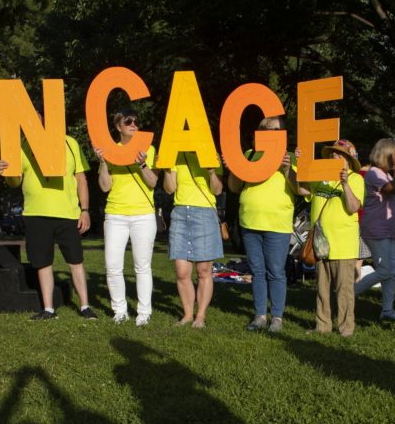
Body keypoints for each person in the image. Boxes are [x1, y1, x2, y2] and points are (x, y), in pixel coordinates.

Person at [0, 99, 96, 321]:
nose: (33, 120)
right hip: (36, 213)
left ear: (45, 117)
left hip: (67, 213)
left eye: (36, 115)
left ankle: (85, 306)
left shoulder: (70, 143)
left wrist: (85, 210)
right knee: (42, 262)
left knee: (75, 261)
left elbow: (81, 179)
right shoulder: (22, 145)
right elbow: (15, 182)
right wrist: (7, 172)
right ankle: (49, 309)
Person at [227, 116, 298, 332]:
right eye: (265, 129)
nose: (270, 133)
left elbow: (300, 190)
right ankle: (260, 316)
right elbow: (234, 187)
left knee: (276, 270)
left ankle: (276, 318)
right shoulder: (249, 155)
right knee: (257, 271)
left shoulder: (291, 158)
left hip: (277, 223)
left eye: (275, 129)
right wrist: (234, 168)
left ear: (283, 133)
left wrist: (288, 170)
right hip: (250, 221)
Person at [95, 108, 159, 326]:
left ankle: (144, 313)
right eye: (128, 121)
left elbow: (153, 182)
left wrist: (141, 164)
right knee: (112, 266)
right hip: (115, 214)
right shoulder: (110, 151)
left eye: (136, 121)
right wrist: (103, 162)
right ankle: (120, 310)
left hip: (143, 214)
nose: (134, 124)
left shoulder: (149, 149)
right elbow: (105, 187)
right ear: (118, 127)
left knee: (142, 266)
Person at [301, 141, 364, 336]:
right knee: (321, 287)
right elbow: (303, 190)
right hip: (321, 243)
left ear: (349, 160)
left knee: (344, 290)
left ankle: (346, 329)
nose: (334, 158)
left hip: (343, 244)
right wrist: (293, 169)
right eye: (332, 154)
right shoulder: (320, 178)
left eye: (339, 155)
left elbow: (353, 207)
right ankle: (323, 326)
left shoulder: (356, 179)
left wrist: (344, 184)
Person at [163, 150, 224, 328]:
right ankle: (188, 314)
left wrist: (212, 172)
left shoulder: (211, 154)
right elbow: (169, 188)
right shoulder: (174, 154)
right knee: (182, 271)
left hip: (205, 213)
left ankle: (200, 316)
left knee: (204, 270)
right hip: (181, 213)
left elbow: (218, 190)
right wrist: (167, 170)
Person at [355, 138, 395, 324]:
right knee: (386, 270)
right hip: (376, 230)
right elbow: (394, 189)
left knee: (392, 271)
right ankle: (348, 294)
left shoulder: (385, 174)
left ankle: (387, 309)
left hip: (387, 230)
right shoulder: (374, 174)